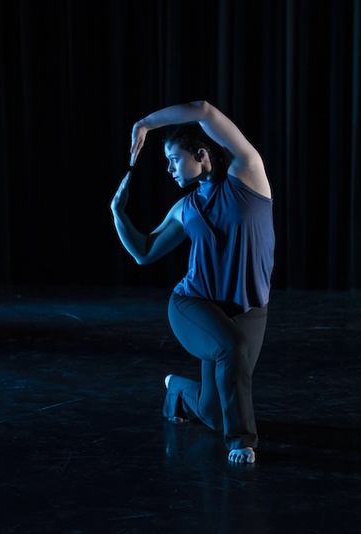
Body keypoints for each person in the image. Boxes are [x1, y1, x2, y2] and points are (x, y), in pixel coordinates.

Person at [110, 100, 274, 464]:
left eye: (173, 159)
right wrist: (117, 214)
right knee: (230, 348)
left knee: (215, 412)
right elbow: (144, 252)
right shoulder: (186, 207)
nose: (168, 169)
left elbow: (203, 110)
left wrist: (145, 123)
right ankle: (241, 443)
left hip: (248, 309)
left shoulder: (247, 174)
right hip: (193, 305)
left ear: (201, 153)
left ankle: (179, 392)